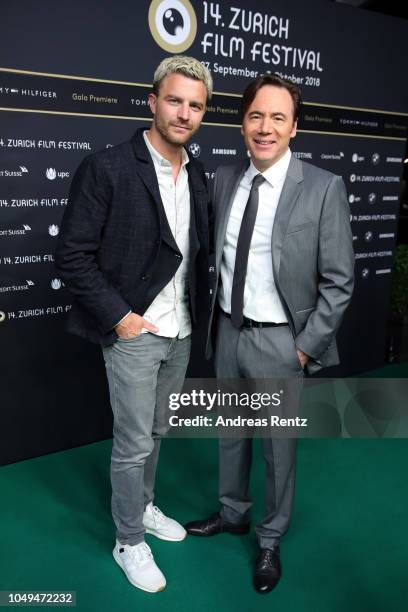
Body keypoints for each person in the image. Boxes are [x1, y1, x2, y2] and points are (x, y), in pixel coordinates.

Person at [185, 74, 354, 594]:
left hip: (284, 342)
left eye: (278, 117)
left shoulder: (323, 187)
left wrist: (304, 348)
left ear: (294, 127)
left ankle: (271, 537)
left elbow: (339, 282)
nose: (265, 127)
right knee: (231, 435)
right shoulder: (223, 178)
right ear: (242, 123)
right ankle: (232, 513)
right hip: (230, 334)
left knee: (279, 448)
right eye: (256, 115)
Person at [55, 55, 212, 593]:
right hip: (134, 331)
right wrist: (122, 318)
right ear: (152, 101)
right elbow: (72, 255)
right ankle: (128, 540)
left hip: (183, 331)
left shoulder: (200, 175)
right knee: (132, 443)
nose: (183, 112)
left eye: (195, 105)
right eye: (174, 100)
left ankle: (143, 508)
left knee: (158, 432)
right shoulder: (109, 167)